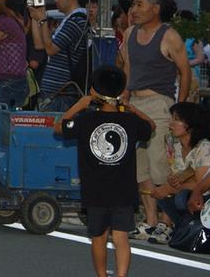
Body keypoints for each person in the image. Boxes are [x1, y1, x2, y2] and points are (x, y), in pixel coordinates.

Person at [57, 66, 154, 277]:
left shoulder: (85, 120)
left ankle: (102, 275)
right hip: (123, 190)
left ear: (93, 91)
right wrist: (130, 107)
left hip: (95, 190)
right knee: (121, 238)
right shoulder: (129, 121)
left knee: (98, 237)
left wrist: (80, 104)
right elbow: (151, 126)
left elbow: (59, 127)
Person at [119, 0, 190, 244]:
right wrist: (124, 97)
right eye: (133, 5)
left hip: (160, 105)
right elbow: (127, 69)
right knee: (140, 166)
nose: (134, 9)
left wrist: (178, 110)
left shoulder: (169, 35)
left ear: (155, 8)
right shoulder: (129, 34)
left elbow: (185, 71)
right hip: (134, 102)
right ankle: (149, 221)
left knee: (160, 163)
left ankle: (166, 221)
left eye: (139, 4)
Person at [149, 102, 210, 234]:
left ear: (190, 126)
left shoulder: (205, 147)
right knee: (163, 195)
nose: (170, 123)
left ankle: (194, 229)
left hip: (206, 197)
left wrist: (171, 187)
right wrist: (173, 180)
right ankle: (184, 228)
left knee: (179, 197)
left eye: (176, 120)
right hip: (191, 191)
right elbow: (179, 174)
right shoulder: (174, 146)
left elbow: (204, 185)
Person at [31, 0, 91, 112]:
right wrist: (36, 18)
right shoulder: (69, 21)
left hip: (62, 95)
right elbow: (41, 45)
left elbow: (51, 49)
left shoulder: (76, 21)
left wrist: (43, 20)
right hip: (56, 93)